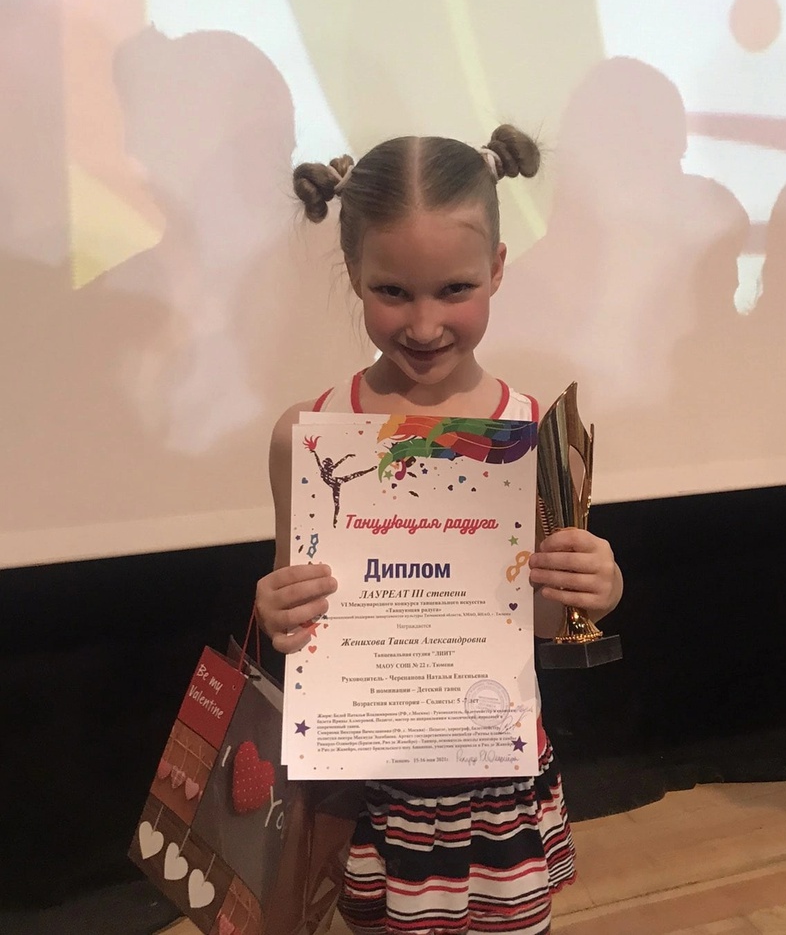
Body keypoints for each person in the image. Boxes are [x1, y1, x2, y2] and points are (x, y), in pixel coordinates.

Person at [255, 125, 624, 935]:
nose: (424, 325)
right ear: (352, 271)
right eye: (393, 291)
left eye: (455, 288)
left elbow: (548, 620)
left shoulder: (537, 436)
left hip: (492, 791)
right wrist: (276, 609)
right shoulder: (307, 434)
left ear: (498, 267)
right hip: (365, 795)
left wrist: (596, 583)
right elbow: (295, 625)